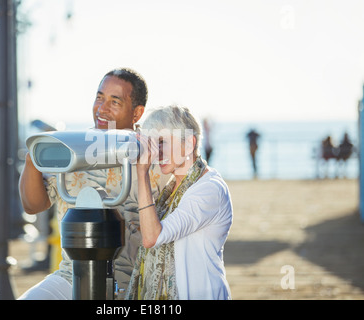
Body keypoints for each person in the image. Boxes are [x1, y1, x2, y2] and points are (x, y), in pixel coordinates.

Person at [18, 68, 170, 299]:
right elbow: (33, 206)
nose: (102, 108)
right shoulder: (74, 149)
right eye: (99, 98)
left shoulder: (156, 159)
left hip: (137, 285)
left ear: (137, 113)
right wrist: (32, 159)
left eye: (114, 101)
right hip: (72, 277)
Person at [125, 105, 233, 300]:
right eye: (152, 144)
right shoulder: (171, 188)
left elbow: (152, 237)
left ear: (189, 144)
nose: (156, 152)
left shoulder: (209, 189)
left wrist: (142, 173)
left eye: (162, 142)